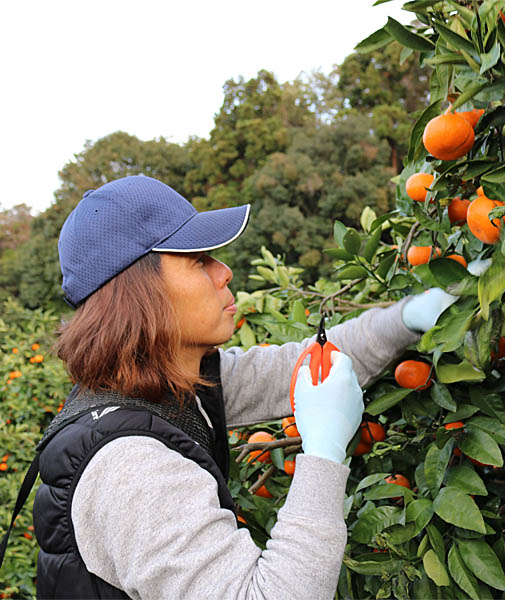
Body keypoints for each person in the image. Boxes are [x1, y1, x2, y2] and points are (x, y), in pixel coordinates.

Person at [30, 175, 454, 599]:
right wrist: (323, 453)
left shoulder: (175, 384)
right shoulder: (131, 468)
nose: (224, 271)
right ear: (140, 293)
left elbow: (301, 364)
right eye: (198, 260)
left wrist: (406, 319)